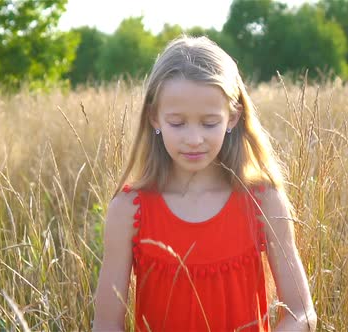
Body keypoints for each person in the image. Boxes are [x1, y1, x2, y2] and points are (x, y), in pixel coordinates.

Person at [92, 35, 316, 332]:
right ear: (154, 118)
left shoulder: (263, 200)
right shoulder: (128, 209)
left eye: (209, 123)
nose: (194, 138)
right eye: (177, 122)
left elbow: (302, 313)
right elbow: (106, 326)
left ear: (233, 117)